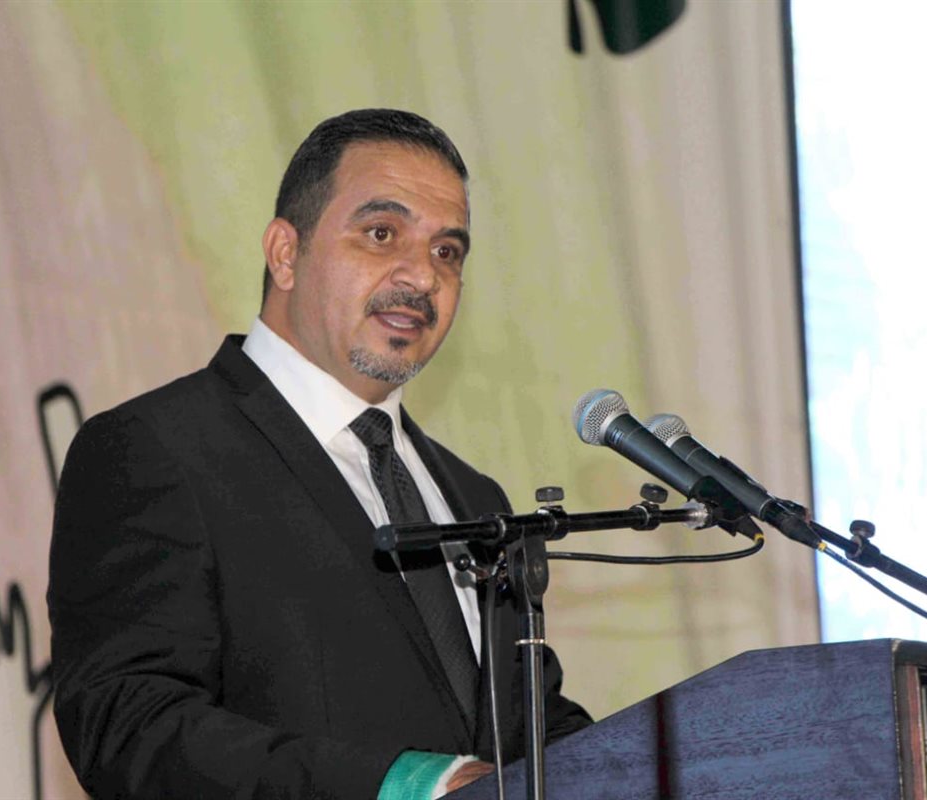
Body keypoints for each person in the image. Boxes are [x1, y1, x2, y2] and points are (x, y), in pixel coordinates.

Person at [48, 108, 591, 800]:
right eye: (381, 233)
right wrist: (403, 785)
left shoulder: (474, 497)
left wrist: (664, 762)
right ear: (285, 253)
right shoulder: (155, 450)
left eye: (447, 252)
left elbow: (524, 731)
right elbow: (129, 726)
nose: (422, 276)